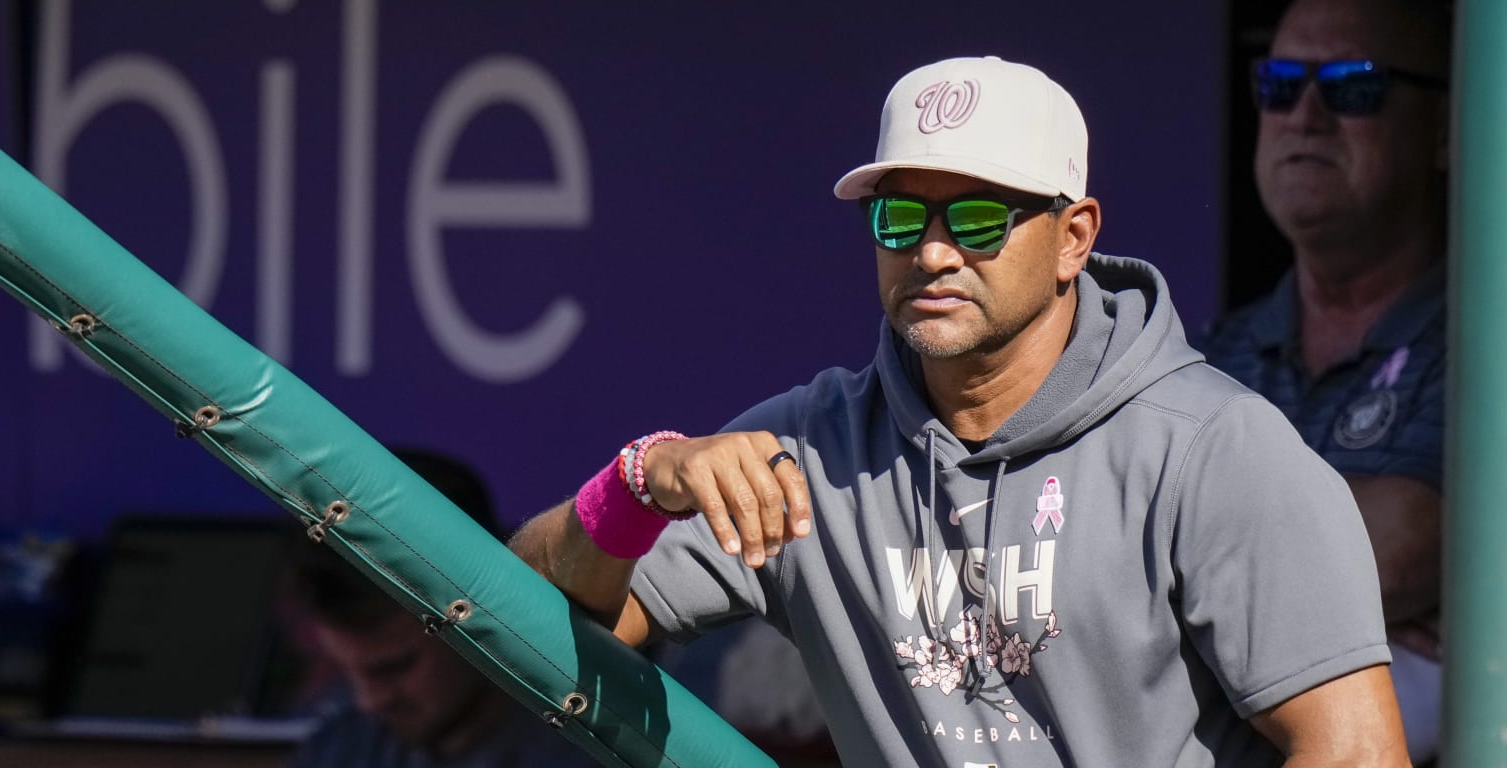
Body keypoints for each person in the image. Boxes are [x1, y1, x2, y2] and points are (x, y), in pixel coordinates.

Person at [510, 55, 1410, 766]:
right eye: (901, 218)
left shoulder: (1213, 446)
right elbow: (524, 616)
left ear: (1074, 238)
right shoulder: (809, 448)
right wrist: (639, 481)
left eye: (978, 219)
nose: (933, 253)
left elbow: (1357, 752)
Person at [1201, 0, 1449, 761]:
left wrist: (1193, 577)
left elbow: (1405, 546)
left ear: (1444, 129)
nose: (1303, 114)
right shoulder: (1213, 352)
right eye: (1279, 83)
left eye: (1353, 86)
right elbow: (1116, 545)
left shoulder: (1481, 337)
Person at [285, 448, 593, 768]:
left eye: (395, 666)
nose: (369, 701)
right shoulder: (341, 749)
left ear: (485, 608)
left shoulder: (610, 749)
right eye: (343, 669)